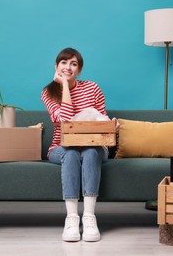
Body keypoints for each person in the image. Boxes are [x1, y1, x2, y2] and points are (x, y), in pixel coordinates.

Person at [41, 47, 109, 242]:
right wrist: (63, 85)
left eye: (74, 64)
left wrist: (111, 124)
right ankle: (71, 218)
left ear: (79, 70)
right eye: (64, 63)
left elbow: (101, 119)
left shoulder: (92, 88)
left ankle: (89, 217)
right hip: (60, 147)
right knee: (70, 153)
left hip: (95, 146)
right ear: (56, 66)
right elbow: (65, 122)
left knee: (89, 151)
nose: (68, 67)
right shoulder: (48, 92)